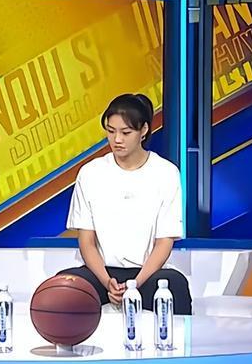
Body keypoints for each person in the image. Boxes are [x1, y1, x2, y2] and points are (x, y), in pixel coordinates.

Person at [59, 93, 192, 313]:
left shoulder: (166, 173)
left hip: (147, 274)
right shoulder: (91, 173)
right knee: (64, 287)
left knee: (175, 285)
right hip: (101, 273)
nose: (117, 139)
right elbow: (87, 242)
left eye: (125, 132)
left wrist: (135, 284)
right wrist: (107, 282)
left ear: (144, 130)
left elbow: (164, 243)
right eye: (111, 131)